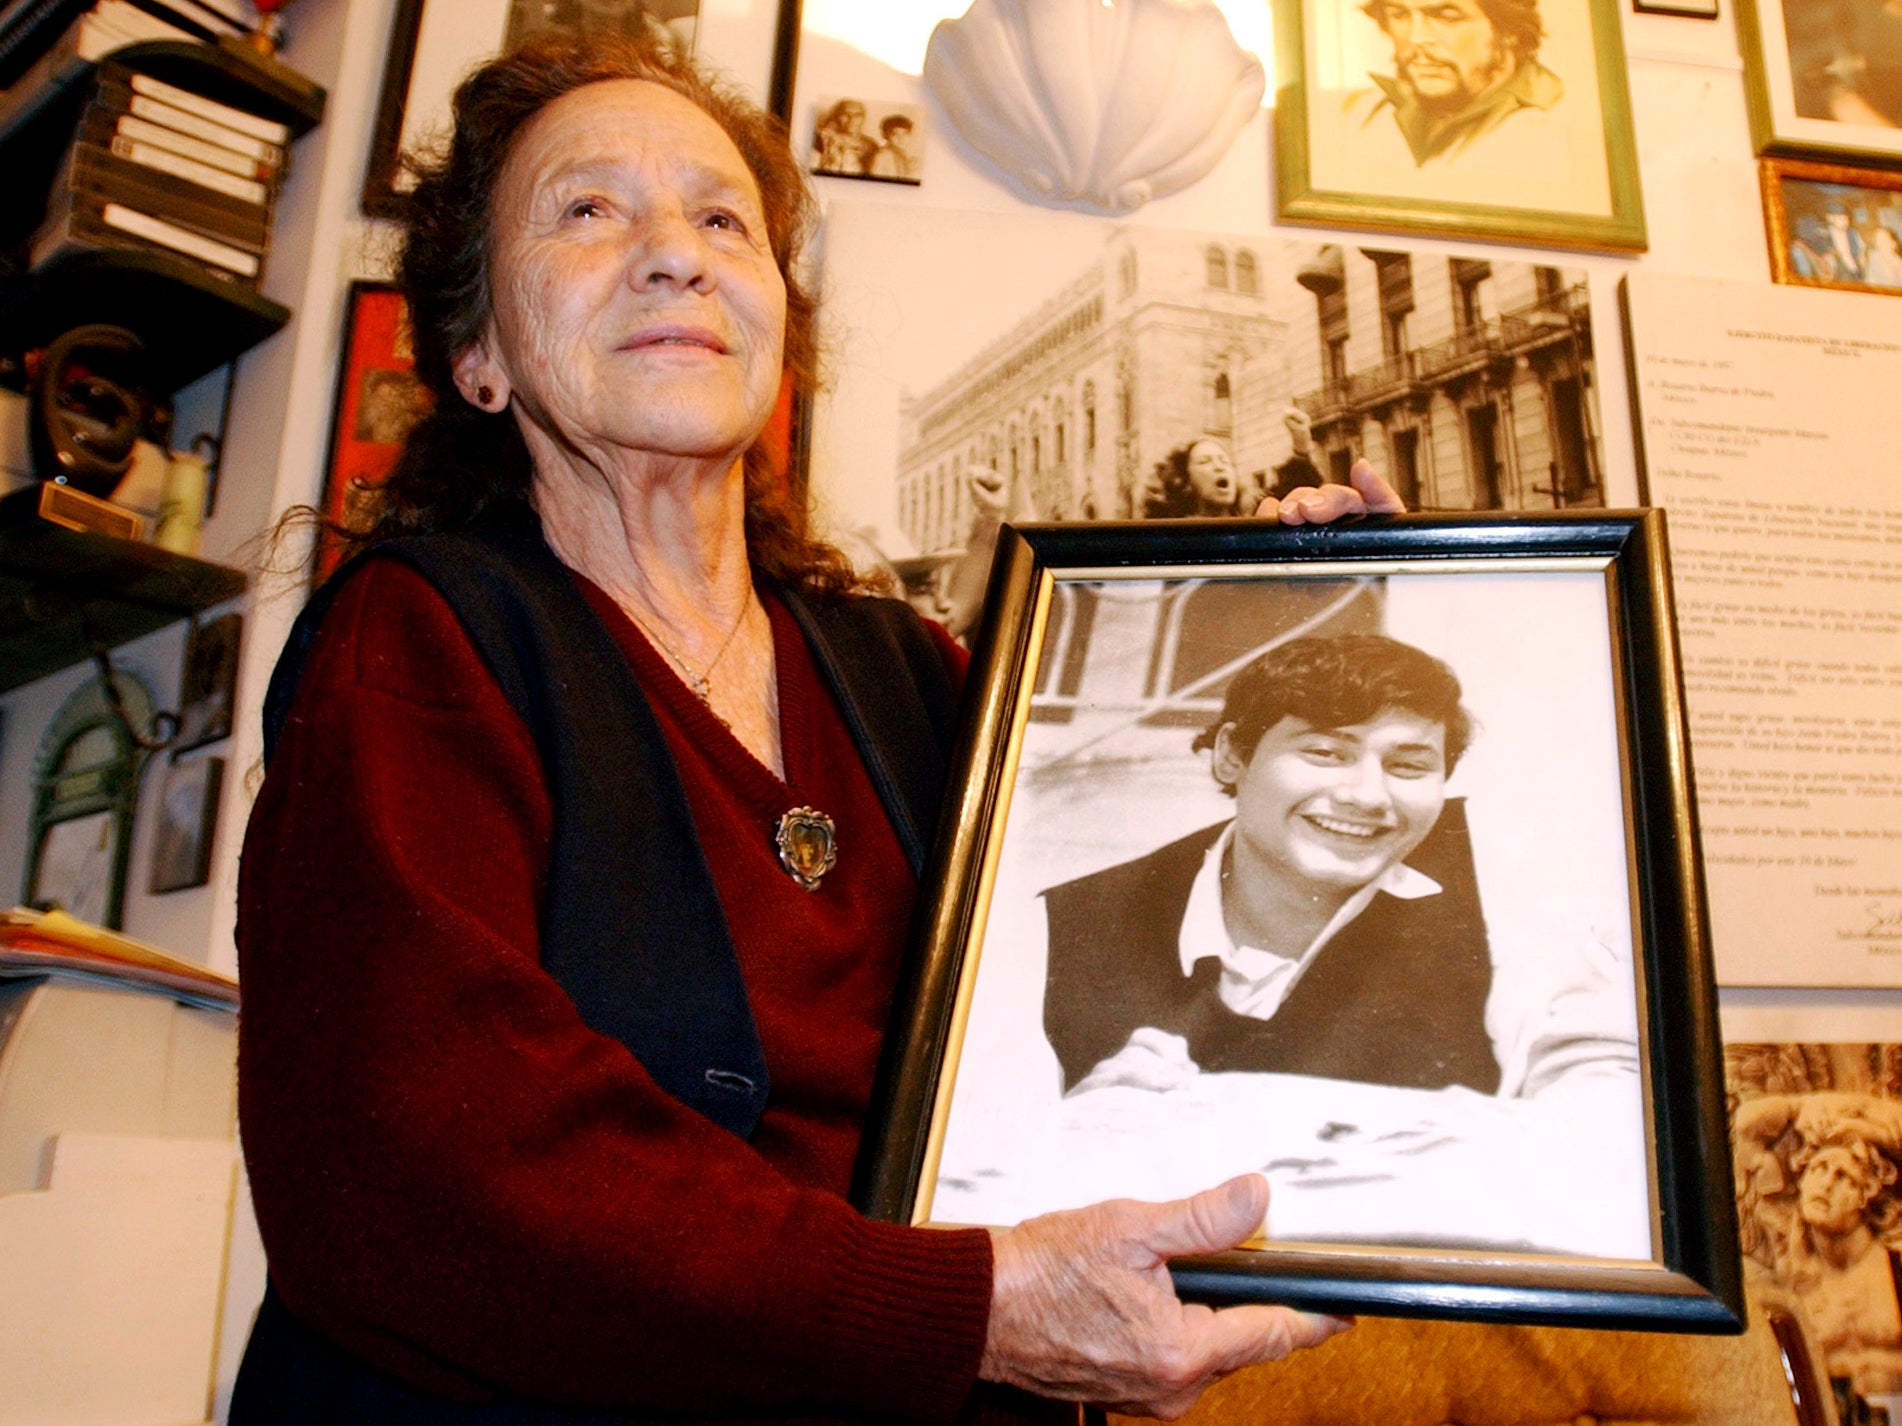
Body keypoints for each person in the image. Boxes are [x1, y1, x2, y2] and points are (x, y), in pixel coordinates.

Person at [228, 29, 1399, 1426]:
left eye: (722, 218)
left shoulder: (904, 668)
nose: (677, 255)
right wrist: (966, 1312)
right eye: (590, 211)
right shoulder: (419, 643)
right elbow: (412, 1174)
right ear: (477, 354)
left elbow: (1144, 923)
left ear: (776, 319)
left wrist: (1304, 629)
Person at [1041, 633, 1635, 1099]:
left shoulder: (1504, 891)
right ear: (1231, 757)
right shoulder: (1055, 927)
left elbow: (1598, 1088)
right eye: (1326, 753)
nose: (1367, 795)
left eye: (1407, 766)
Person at [1344, 0, 1563, 167]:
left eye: (1446, 17)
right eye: (1399, 15)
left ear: (1510, 30)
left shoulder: (1553, 125)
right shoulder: (1361, 112)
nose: (1416, 37)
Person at [1141, 437, 1252, 518]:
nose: (1219, 467)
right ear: (1186, 480)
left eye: (1225, 461)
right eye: (1204, 462)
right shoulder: (1176, 535)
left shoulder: (1252, 529)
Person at [812, 97, 877, 176]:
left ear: (863, 118)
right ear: (836, 117)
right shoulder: (822, 140)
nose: (851, 119)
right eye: (845, 114)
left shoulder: (871, 145)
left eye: (857, 115)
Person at [869, 113, 922, 181]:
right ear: (887, 136)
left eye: (905, 133)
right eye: (895, 134)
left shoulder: (903, 155)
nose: (901, 138)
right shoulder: (881, 156)